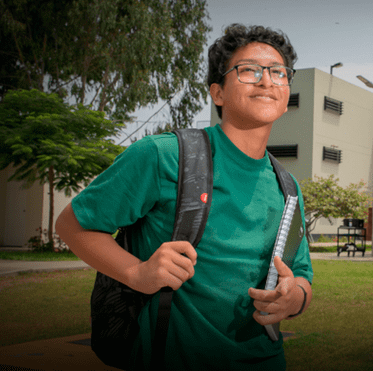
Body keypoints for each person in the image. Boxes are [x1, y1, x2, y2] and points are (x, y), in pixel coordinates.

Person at [56, 23, 313, 370]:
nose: (267, 80)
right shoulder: (164, 156)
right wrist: (137, 273)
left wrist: (292, 299)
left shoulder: (287, 186)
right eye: (249, 70)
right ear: (217, 92)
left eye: (278, 72)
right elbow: (72, 225)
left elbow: (301, 274)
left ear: (286, 95)